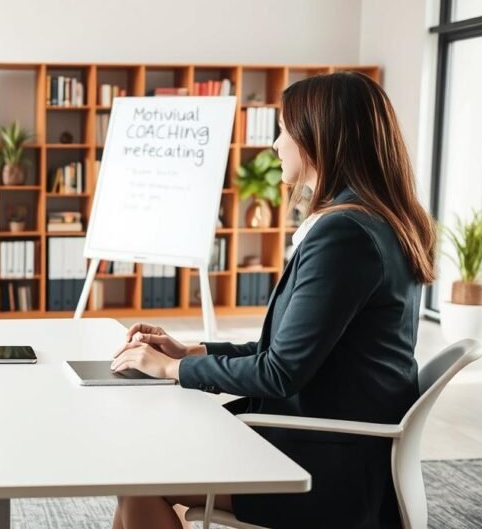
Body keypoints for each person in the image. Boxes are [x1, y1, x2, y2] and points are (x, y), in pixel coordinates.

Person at [111, 72, 435, 529]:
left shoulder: (345, 235)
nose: (276, 145)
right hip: (338, 446)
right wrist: (191, 352)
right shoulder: (377, 222)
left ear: (317, 139)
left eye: (283, 130)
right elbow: (287, 352)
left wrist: (170, 370)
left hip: (322, 467)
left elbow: (280, 372)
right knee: (139, 472)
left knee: (139, 474)